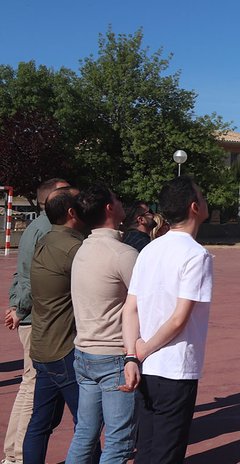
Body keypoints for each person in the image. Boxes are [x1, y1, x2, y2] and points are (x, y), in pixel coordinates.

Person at [121, 176, 215, 464]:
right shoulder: (197, 255)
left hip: (145, 367)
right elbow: (178, 320)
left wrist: (131, 355)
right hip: (175, 368)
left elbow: (130, 308)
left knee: (146, 449)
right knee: (166, 454)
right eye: (202, 194)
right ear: (194, 207)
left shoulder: (150, 249)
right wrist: (143, 351)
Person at [67, 185, 138, 464]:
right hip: (113, 356)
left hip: (84, 353)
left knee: (85, 432)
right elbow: (143, 303)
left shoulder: (83, 249)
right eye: (118, 199)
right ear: (109, 208)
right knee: (119, 440)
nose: (122, 203)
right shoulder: (122, 254)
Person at [4, 178, 69, 464]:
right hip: (38, 319)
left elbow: (23, 275)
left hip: (32, 315)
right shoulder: (46, 230)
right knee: (32, 389)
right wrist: (19, 307)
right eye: (65, 192)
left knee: (29, 387)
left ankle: (13, 454)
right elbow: (33, 277)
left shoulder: (37, 227)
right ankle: (18, 455)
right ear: (52, 199)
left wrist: (16, 305)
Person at [23, 186, 86, 464]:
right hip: (64, 348)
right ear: (72, 213)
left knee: (41, 422)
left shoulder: (45, 240)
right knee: (86, 424)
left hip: (44, 345)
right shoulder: (73, 248)